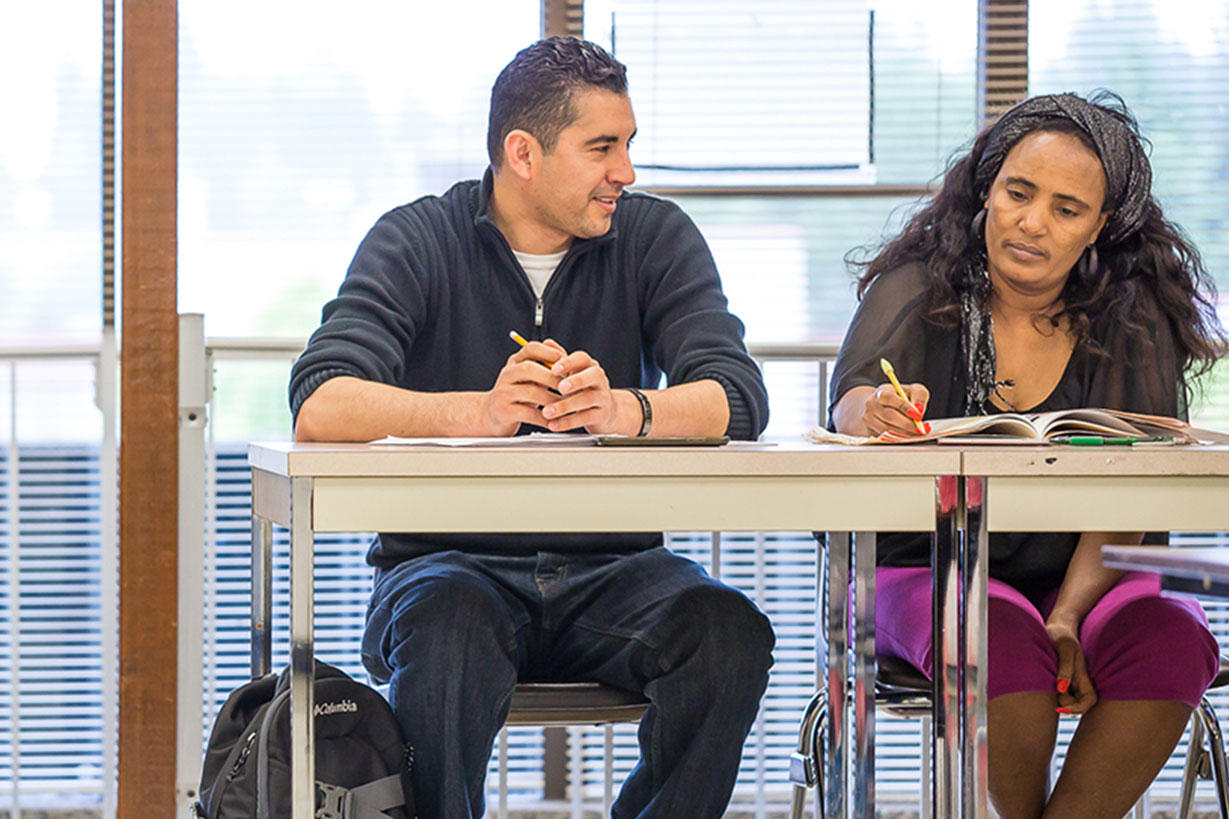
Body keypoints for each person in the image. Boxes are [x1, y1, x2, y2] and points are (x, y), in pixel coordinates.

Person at [288, 37, 774, 819]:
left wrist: (627, 409)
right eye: (602, 148)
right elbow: (321, 404)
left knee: (730, 635)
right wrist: (478, 412)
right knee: (446, 629)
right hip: (444, 567)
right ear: (522, 152)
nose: (627, 172)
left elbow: (737, 396)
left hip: (616, 572)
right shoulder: (417, 239)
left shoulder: (653, 238)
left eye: (628, 146)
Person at [830, 91, 1224, 818]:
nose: (1031, 222)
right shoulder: (913, 286)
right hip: (928, 568)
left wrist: (1070, 615)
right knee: (996, 632)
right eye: (1017, 192)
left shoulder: (1133, 312)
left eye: (1066, 209)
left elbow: (1130, 490)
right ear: (987, 191)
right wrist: (871, 414)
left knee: (1174, 637)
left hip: (1093, 573)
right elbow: (851, 398)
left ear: (1099, 227)